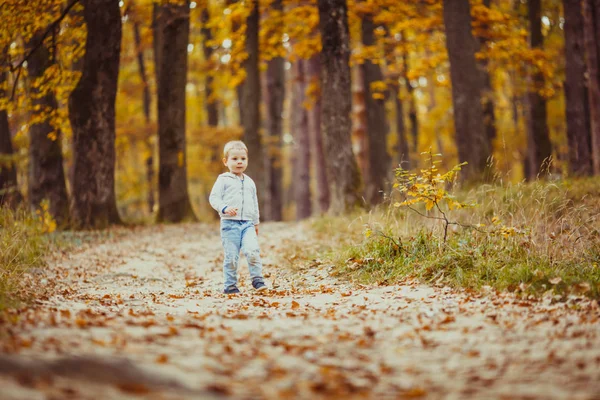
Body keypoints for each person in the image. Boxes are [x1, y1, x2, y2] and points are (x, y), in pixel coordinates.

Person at [209, 140, 267, 294]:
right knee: (232, 257)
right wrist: (225, 208)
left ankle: (257, 280)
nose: (239, 162)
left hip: (247, 224)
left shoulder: (250, 182)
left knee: (252, 250)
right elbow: (214, 198)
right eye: (234, 159)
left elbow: (254, 203)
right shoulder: (223, 180)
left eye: (243, 158)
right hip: (229, 225)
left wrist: (255, 222)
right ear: (225, 161)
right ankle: (230, 286)